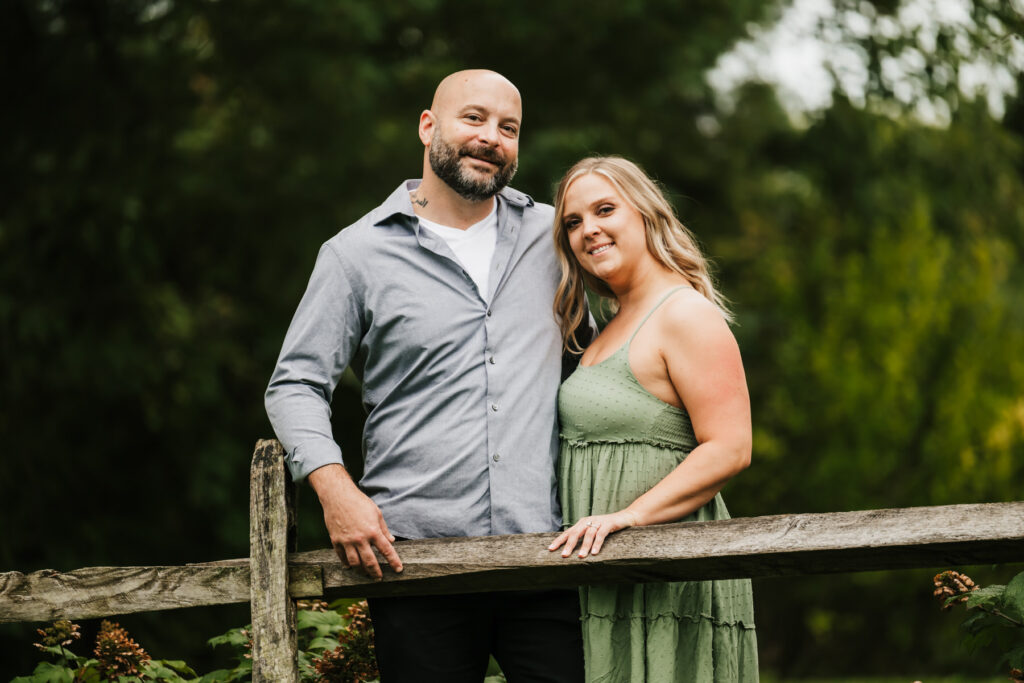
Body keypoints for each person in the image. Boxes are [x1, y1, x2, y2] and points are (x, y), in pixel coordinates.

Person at [265, 70, 585, 682]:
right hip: (416, 562)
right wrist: (337, 491)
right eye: (474, 118)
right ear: (428, 125)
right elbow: (296, 383)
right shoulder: (355, 254)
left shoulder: (556, 237)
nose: (491, 137)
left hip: (547, 554)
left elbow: (611, 342)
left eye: (508, 127)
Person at [547, 156, 759, 682]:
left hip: (672, 572)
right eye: (573, 222)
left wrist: (629, 518)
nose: (588, 230)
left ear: (644, 214)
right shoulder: (608, 326)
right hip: (611, 575)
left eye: (604, 210)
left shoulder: (684, 313)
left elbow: (730, 448)